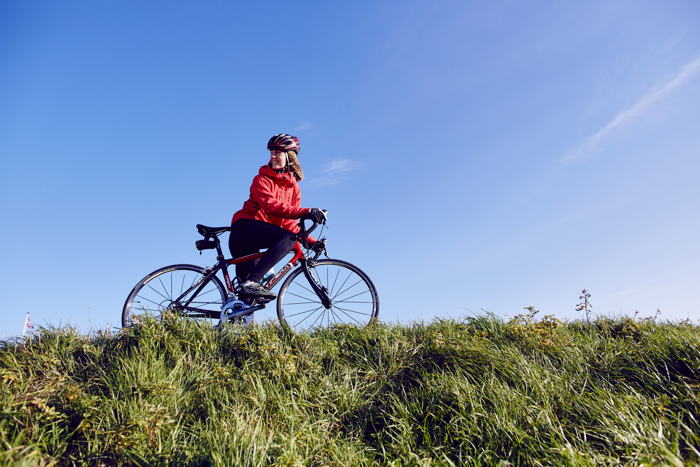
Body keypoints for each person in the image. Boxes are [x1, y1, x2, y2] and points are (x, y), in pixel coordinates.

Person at [229, 134, 326, 302]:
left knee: (250, 299)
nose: (272, 157)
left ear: (290, 157)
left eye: (277, 153)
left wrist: (311, 242)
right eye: (271, 153)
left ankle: (234, 323)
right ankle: (252, 282)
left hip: (259, 238)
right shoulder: (261, 179)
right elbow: (271, 206)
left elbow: (289, 223)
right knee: (287, 239)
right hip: (244, 230)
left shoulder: (294, 189)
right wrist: (307, 211)